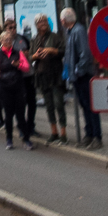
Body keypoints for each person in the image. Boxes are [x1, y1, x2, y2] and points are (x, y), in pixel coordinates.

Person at [62, 8, 102, 150]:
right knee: (85, 106)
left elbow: (85, 53)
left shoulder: (77, 31)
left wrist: (78, 70)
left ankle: (96, 136)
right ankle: (89, 134)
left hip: (83, 75)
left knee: (91, 106)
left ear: (63, 20)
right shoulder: (71, 31)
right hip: (77, 75)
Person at [0, 26, 32, 150]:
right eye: (5, 39)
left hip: (18, 86)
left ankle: (26, 139)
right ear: (1, 41)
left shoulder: (18, 53)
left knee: (20, 114)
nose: (8, 41)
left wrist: (19, 65)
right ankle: (9, 139)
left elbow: (26, 67)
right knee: (8, 115)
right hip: (4, 87)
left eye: (10, 39)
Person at [31, 14, 68, 144]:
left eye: (45, 21)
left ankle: (63, 133)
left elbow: (64, 51)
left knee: (59, 104)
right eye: (40, 22)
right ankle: (54, 132)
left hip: (56, 74)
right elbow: (30, 57)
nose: (43, 23)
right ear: (36, 25)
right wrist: (35, 56)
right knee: (49, 105)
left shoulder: (55, 36)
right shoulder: (35, 39)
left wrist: (52, 50)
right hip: (42, 76)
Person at [3, 19, 39, 137]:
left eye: (14, 27)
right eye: (10, 28)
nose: (13, 30)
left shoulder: (22, 39)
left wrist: (27, 55)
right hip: (15, 77)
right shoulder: (4, 41)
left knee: (32, 102)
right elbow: (2, 59)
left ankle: (31, 126)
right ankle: (21, 127)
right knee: (20, 104)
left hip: (27, 74)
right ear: (6, 29)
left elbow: (30, 53)